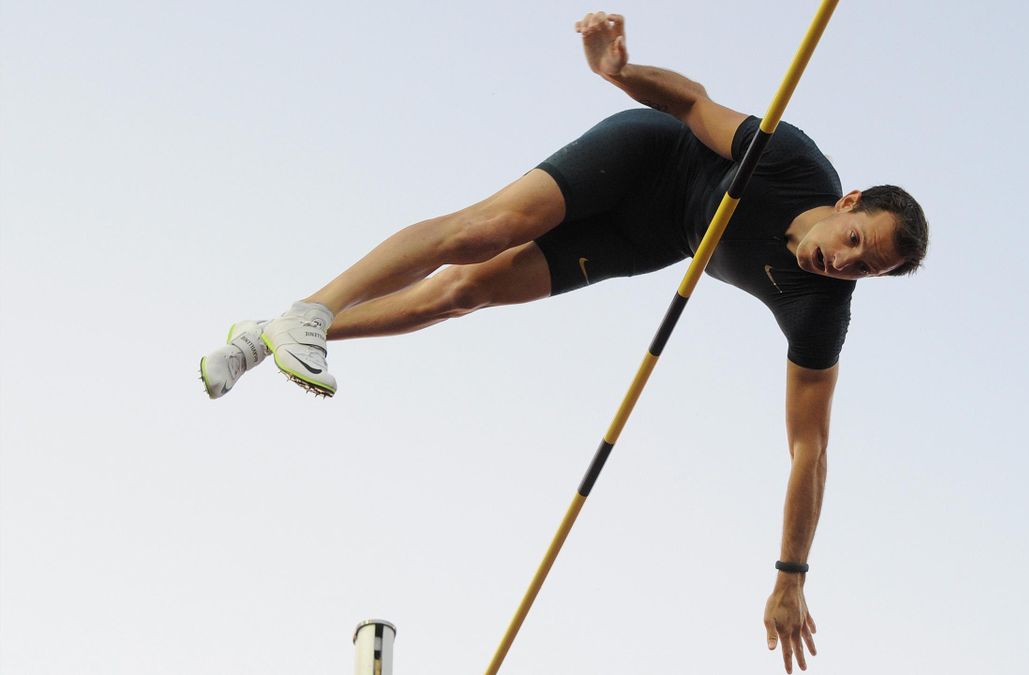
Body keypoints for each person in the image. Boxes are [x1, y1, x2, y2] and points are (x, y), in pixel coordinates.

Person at [199, 12, 927, 673]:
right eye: (855, 241)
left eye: (868, 268)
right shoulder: (793, 163)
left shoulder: (822, 307)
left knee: (463, 292)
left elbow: (810, 446)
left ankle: (271, 335)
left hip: (652, 235)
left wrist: (789, 574)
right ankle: (313, 310)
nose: (846, 261)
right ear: (848, 202)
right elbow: (691, 104)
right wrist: (616, 73)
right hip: (648, 157)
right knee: (484, 230)